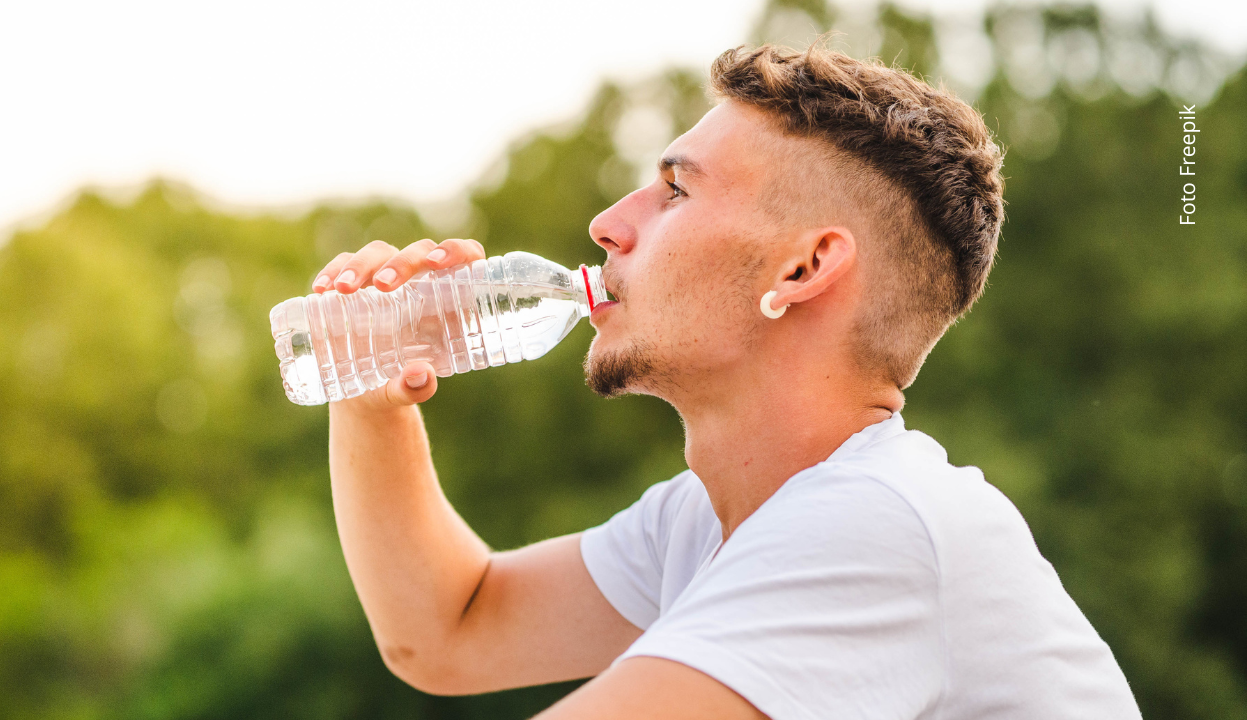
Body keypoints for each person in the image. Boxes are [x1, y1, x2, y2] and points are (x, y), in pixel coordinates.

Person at [309, 44, 1142, 719]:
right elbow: (450, 630)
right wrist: (369, 384)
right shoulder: (704, 523)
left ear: (804, 267)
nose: (608, 225)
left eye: (675, 191)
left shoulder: (879, 524)